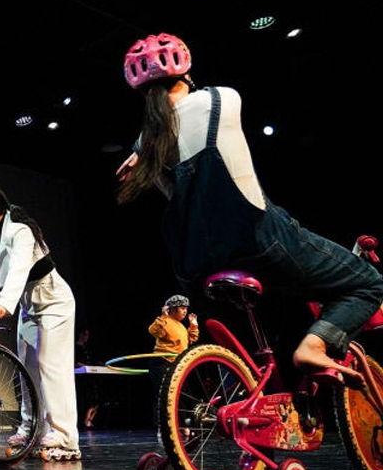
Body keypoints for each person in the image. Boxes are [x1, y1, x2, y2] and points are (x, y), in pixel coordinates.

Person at [116, 33, 383, 381]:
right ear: (186, 72)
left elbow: (169, 150)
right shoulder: (220, 99)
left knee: (270, 323)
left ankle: (271, 389)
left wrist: (141, 150)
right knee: (368, 283)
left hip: (197, 264)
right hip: (259, 239)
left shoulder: (146, 142)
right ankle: (314, 346)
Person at [0, 181, 81, 460]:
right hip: (29, 305)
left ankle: (65, 436)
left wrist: (3, 303)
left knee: (51, 367)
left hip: (54, 301)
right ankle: (32, 427)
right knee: (27, 369)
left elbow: (19, 269)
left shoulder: (20, 231)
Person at [147, 294, 198, 428]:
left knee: (182, 395)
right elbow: (153, 331)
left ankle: (183, 426)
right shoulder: (165, 321)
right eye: (182, 308)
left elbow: (190, 340)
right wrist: (163, 317)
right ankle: (164, 427)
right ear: (173, 309)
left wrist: (193, 326)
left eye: (186, 308)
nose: (185, 311)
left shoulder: (181, 326)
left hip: (177, 364)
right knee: (165, 396)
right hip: (162, 362)